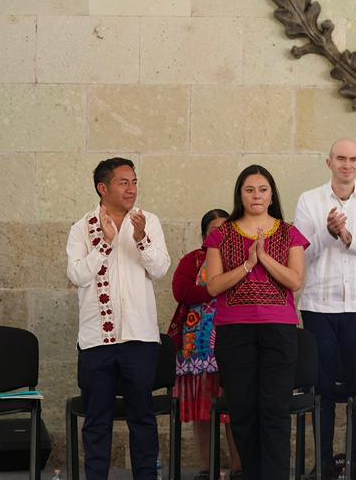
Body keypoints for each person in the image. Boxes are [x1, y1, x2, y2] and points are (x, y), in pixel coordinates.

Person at [294, 139, 356, 480]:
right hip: (318, 306)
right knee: (320, 388)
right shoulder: (309, 200)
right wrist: (327, 232)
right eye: (340, 158)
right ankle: (322, 462)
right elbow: (301, 254)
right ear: (329, 162)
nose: (346, 164)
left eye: (353, 159)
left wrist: (350, 238)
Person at [66, 158, 171, 480]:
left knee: (143, 416)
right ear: (103, 187)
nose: (132, 189)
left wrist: (140, 239)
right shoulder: (82, 227)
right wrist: (104, 244)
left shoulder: (148, 221)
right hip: (97, 340)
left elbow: (160, 269)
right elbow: (76, 275)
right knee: (97, 419)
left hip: (139, 338)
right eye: (124, 182)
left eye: (135, 182)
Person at [204, 165, 308, 480]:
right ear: (240, 194)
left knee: (275, 411)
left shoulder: (290, 232)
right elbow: (213, 286)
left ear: (272, 193)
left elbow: (295, 281)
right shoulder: (220, 234)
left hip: (279, 331)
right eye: (250, 190)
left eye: (262, 189)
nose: (256, 196)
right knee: (244, 411)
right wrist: (248, 264)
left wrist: (264, 258)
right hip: (234, 331)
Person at [169, 208, 241, 480]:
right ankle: (205, 467)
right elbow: (181, 290)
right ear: (204, 235)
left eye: (225, 229)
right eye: (214, 231)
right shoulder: (193, 260)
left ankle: (238, 467)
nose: (220, 235)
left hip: (232, 341)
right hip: (195, 347)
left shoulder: (242, 258)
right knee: (202, 408)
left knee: (233, 405)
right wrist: (213, 289)